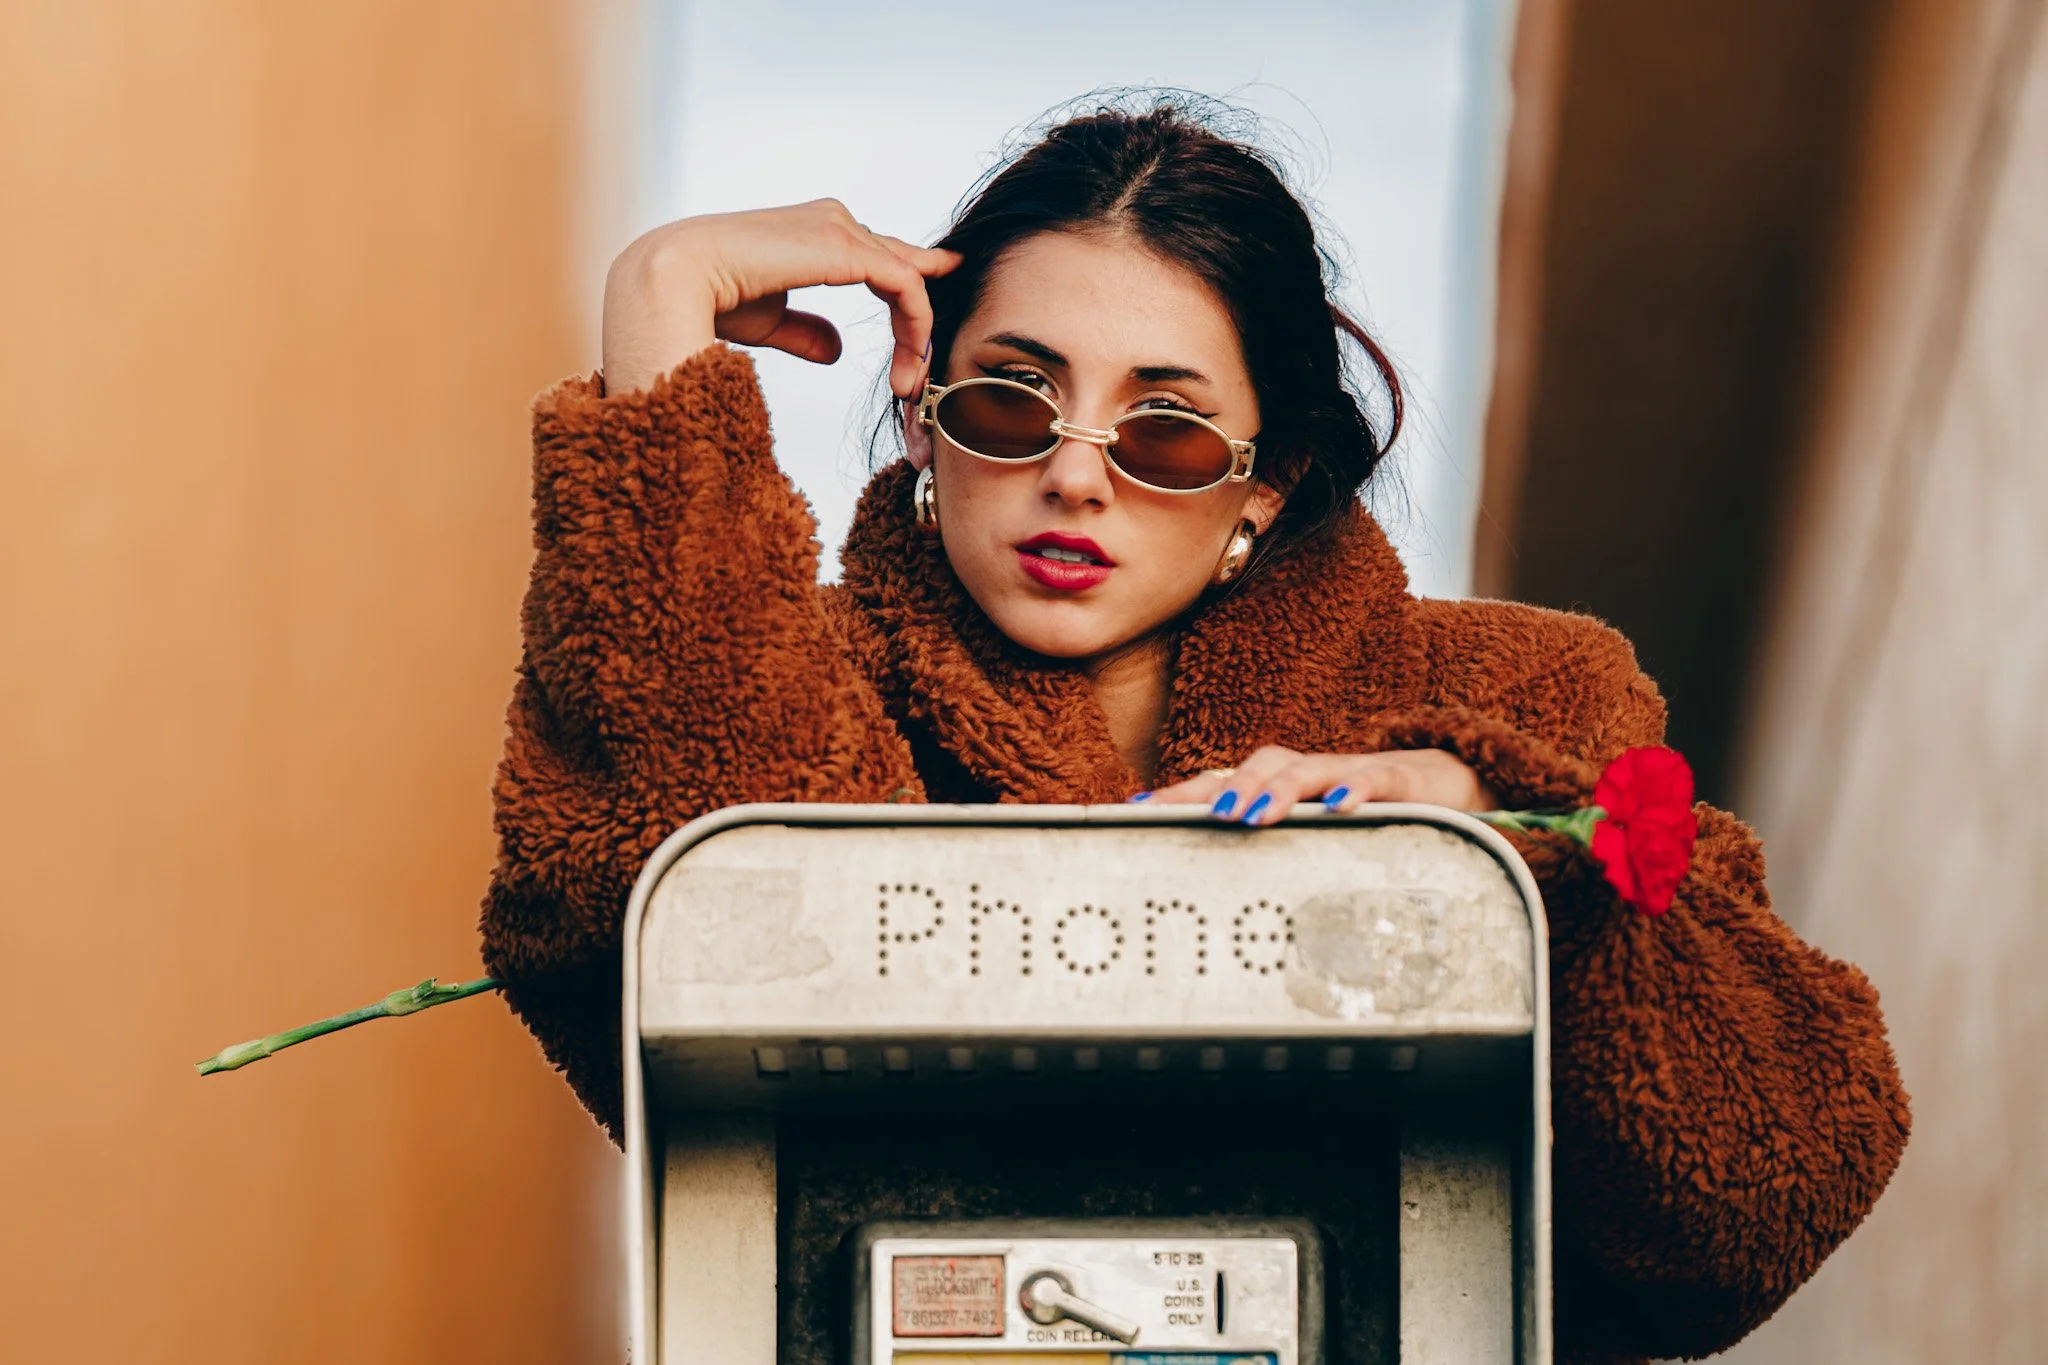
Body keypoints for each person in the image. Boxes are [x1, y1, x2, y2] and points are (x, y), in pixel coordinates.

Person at [479, 100, 1907, 1363]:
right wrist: (662, 294)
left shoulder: (1513, 699)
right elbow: (691, 877)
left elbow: (1757, 1186)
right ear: (921, 416)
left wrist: (1492, 851)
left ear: (1265, 482)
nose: (1077, 476)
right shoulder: (805, 683)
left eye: (1163, 432)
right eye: (1008, 401)